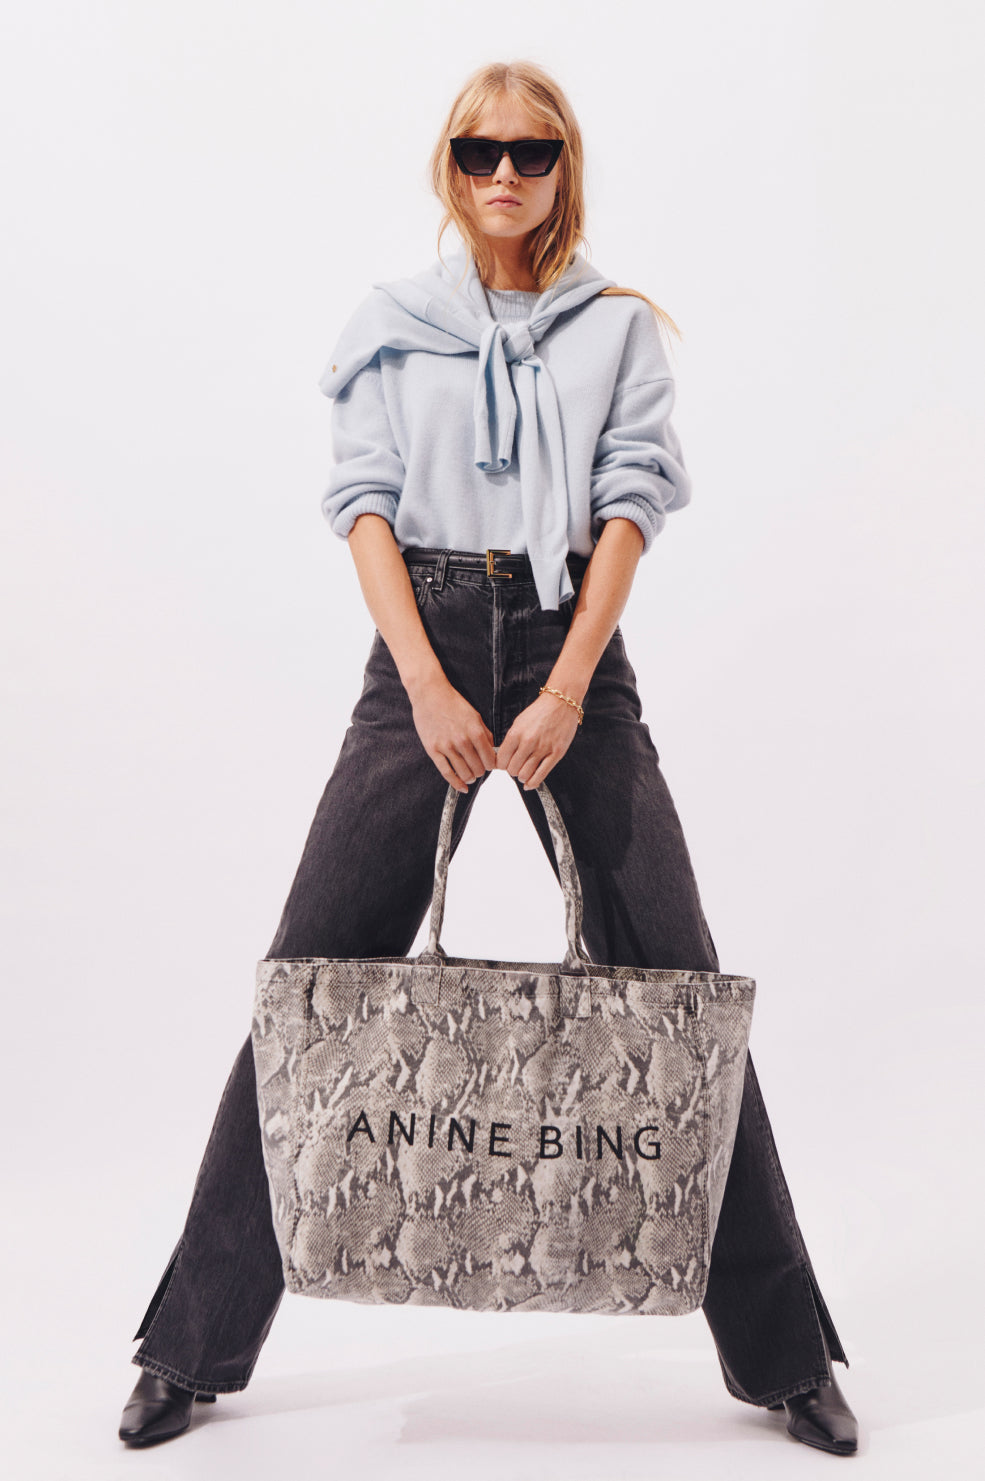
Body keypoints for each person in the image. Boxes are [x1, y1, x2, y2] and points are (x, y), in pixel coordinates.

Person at [118, 59, 859, 1458]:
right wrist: (425, 681)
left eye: (528, 151)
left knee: (682, 990)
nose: (502, 175)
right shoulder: (390, 328)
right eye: (476, 153)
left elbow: (631, 504)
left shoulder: (618, 330)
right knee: (307, 986)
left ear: (563, 163)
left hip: (574, 640)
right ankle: (189, 1343)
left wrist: (569, 681)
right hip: (426, 648)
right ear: (446, 167)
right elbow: (364, 508)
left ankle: (781, 1355)